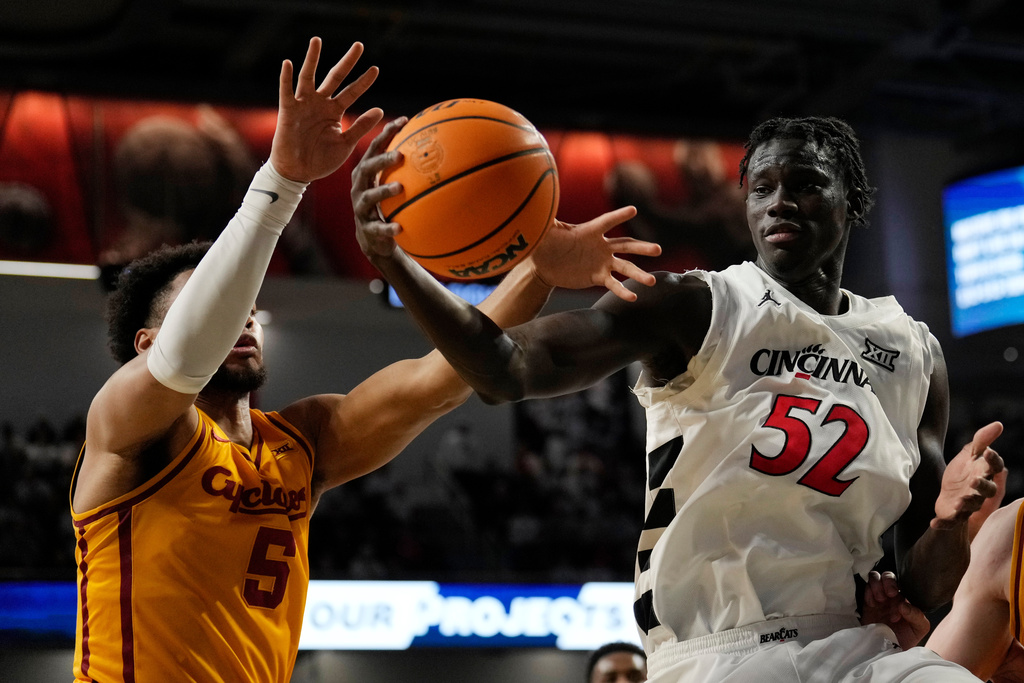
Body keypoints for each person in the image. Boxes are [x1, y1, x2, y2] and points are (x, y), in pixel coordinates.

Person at [70, 37, 661, 683]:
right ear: (146, 344)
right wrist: (283, 179)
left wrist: (537, 273)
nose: (241, 317)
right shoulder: (128, 429)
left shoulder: (302, 442)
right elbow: (187, 355)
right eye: (209, 307)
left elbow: (440, 380)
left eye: (247, 308)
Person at [353, 114, 1005, 681]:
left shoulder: (912, 352)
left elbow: (922, 591)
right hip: (720, 653)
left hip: (859, 647)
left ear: (853, 198)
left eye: (805, 183)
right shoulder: (696, 304)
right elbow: (506, 369)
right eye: (762, 187)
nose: (779, 202)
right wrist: (398, 264)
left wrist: (950, 523)